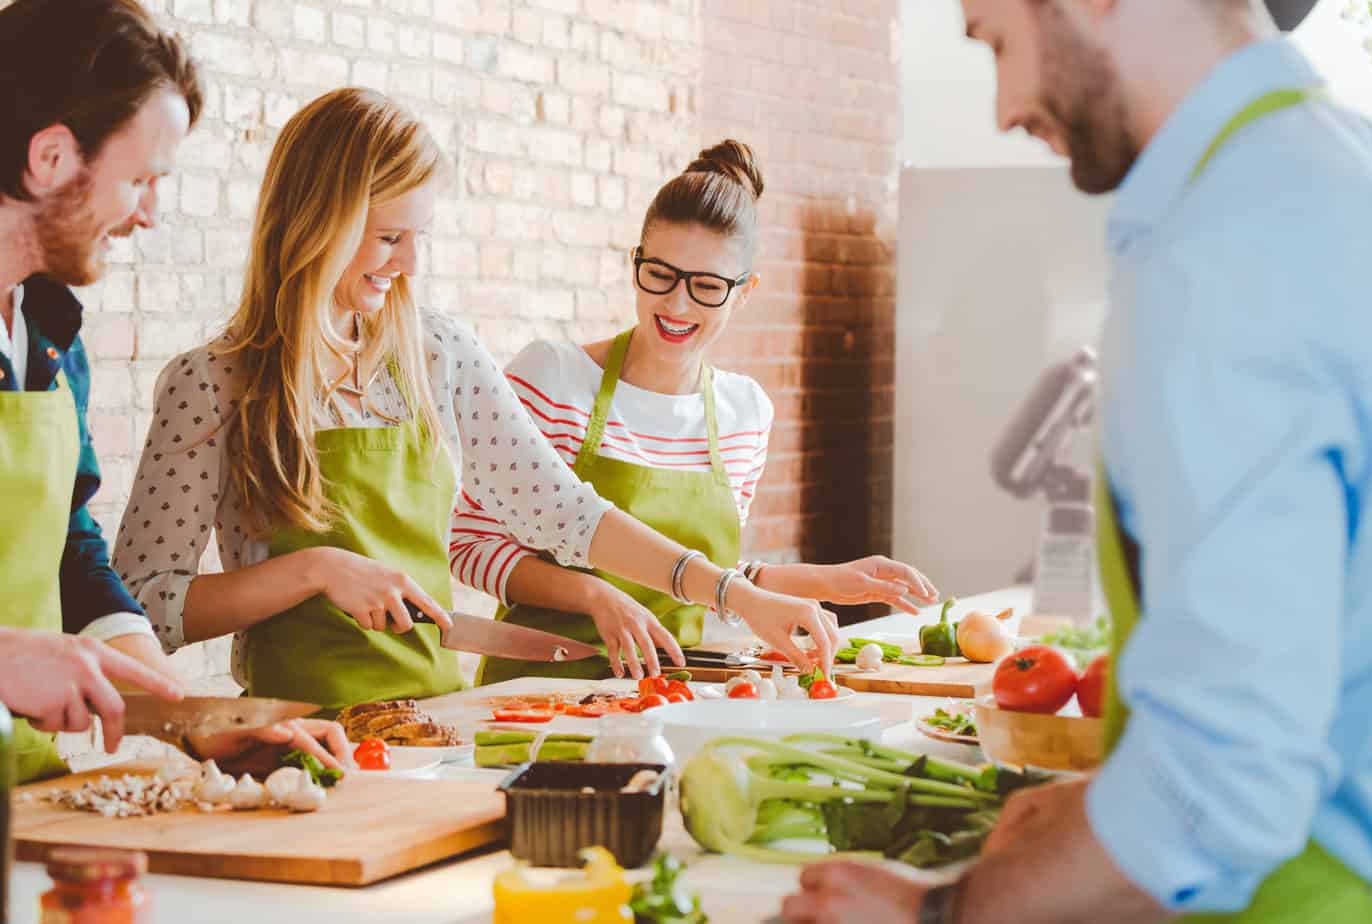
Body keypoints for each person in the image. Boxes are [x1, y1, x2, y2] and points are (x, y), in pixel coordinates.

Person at [781, 0, 1372, 921]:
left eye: (995, 40)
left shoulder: (1226, 247)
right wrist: (1106, 817)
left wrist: (940, 911)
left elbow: (1220, 784)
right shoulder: (1341, 173)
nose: (1003, 108)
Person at [114, 88, 844, 715]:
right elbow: (144, 602)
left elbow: (567, 514)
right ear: (315, 221)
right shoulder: (214, 383)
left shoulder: (437, 356)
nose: (408, 266)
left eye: (419, 236)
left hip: (436, 728)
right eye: (388, 236)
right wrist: (311, 571)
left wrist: (736, 597)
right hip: (292, 739)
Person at [0, 0, 348, 782]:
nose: (151, 215)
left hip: (22, 791)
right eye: (142, 179)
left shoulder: (49, 332)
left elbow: (66, 550)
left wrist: (184, 717)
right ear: (52, 157)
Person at [453, 140, 937, 684]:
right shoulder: (554, 379)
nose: (677, 305)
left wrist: (826, 581)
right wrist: (595, 595)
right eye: (660, 274)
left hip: (671, 697)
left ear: (745, 292)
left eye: (706, 287)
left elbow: (710, 578)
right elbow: (470, 544)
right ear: (634, 261)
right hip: (536, 695)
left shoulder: (744, 413)